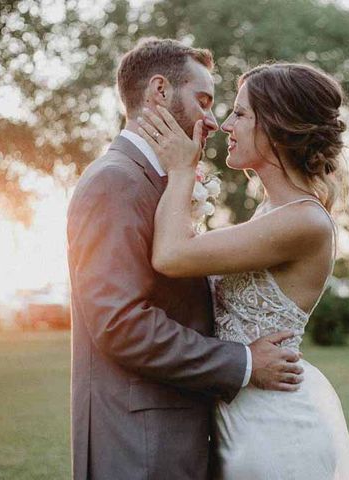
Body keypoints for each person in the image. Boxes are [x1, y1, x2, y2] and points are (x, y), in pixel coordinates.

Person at [66, 39, 304, 480]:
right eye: (204, 100)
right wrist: (243, 362)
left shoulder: (155, 182)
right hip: (141, 444)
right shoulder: (115, 182)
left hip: (175, 434)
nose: (213, 120)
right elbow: (120, 323)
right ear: (159, 91)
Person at [137, 62, 349, 479]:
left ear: (278, 126)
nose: (225, 125)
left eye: (240, 114)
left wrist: (183, 170)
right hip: (240, 419)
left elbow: (170, 256)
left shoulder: (304, 222)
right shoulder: (270, 212)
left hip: (275, 427)